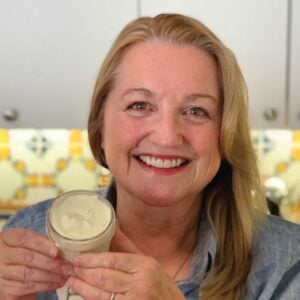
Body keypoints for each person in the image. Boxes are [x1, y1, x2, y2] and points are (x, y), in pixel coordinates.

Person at [1, 13, 300, 300]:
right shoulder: (31, 233)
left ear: (224, 136)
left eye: (196, 111)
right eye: (140, 105)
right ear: (100, 126)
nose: (167, 136)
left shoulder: (286, 262)